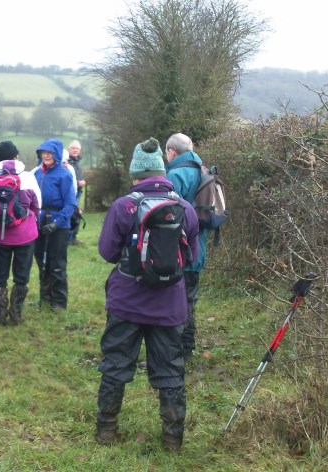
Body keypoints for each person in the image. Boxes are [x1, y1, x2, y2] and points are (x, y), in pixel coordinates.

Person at [95, 138, 199, 452]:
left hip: (127, 302)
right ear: (161, 171)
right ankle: (172, 440)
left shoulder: (124, 206)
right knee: (170, 370)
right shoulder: (186, 209)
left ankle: (106, 430)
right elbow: (190, 258)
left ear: (136, 173)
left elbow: (107, 251)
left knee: (115, 364)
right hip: (169, 307)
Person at [164, 133, 209, 364]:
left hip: (180, 249)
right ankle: (188, 348)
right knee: (190, 298)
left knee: (175, 299)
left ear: (171, 152)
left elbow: (170, 214)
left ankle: (176, 351)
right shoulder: (203, 169)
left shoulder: (175, 174)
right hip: (199, 246)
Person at [0, 141, 41, 325]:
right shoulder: (29, 177)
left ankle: (0, 312)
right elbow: (37, 205)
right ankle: (16, 313)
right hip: (25, 236)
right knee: (21, 275)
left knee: (0, 275)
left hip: (0, 235)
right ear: (16, 156)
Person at [32, 138, 76, 312]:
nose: (46, 155)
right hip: (40, 222)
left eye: (50, 153)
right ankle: (45, 297)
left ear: (56, 154)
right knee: (40, 260)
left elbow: (70, 204)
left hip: (59, 223)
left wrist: (57, 223)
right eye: (44, 152)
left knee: (56, 262)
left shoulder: (64, 174)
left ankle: (59, 301)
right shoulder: (37, 174)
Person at [66, 140, 86, 245]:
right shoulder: (67, 162)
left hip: (78, 192)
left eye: (77, 148)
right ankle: (69, 238)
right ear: (69, 149)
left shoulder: (76, 162)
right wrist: (79, 182)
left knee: (76, 214)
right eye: (73, 148)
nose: (75, 150)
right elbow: (68, 179)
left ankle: (73, 237)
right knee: (71, 215)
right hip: (71, 193)